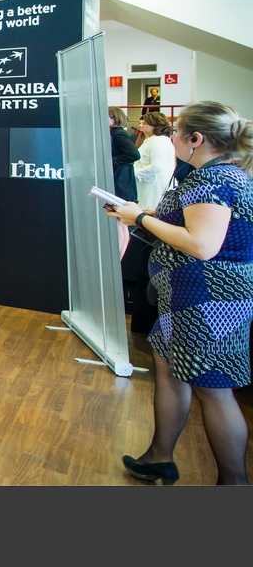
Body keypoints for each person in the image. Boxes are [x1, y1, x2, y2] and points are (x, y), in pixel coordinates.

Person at [106, 101, 253, 485]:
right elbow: (193, 223)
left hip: (208, 302)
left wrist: (140, 218)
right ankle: (159, 456)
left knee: (213, 389)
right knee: (170, 368)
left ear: (196, 139)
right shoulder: (220, 175)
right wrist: (143, 215)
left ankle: (234, 483)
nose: (171, 138)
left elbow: (202, 244)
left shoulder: (213, 180)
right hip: (190, 298)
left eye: (176, 132)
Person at [135, 111, 176, 210]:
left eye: (145, 124)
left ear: (155, 126)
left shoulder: (159, 141)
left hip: (153, 186)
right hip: (148, 184)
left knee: (149, 211)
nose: (141, 126)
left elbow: (157, 166)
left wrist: (134, 173)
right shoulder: (153, 140)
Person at [109, 106, 140, 203]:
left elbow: (134, 154)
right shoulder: (113, 133)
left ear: (114, 119)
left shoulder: (118, 133)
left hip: (121, 176)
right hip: (119, 174)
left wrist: (112, 161)